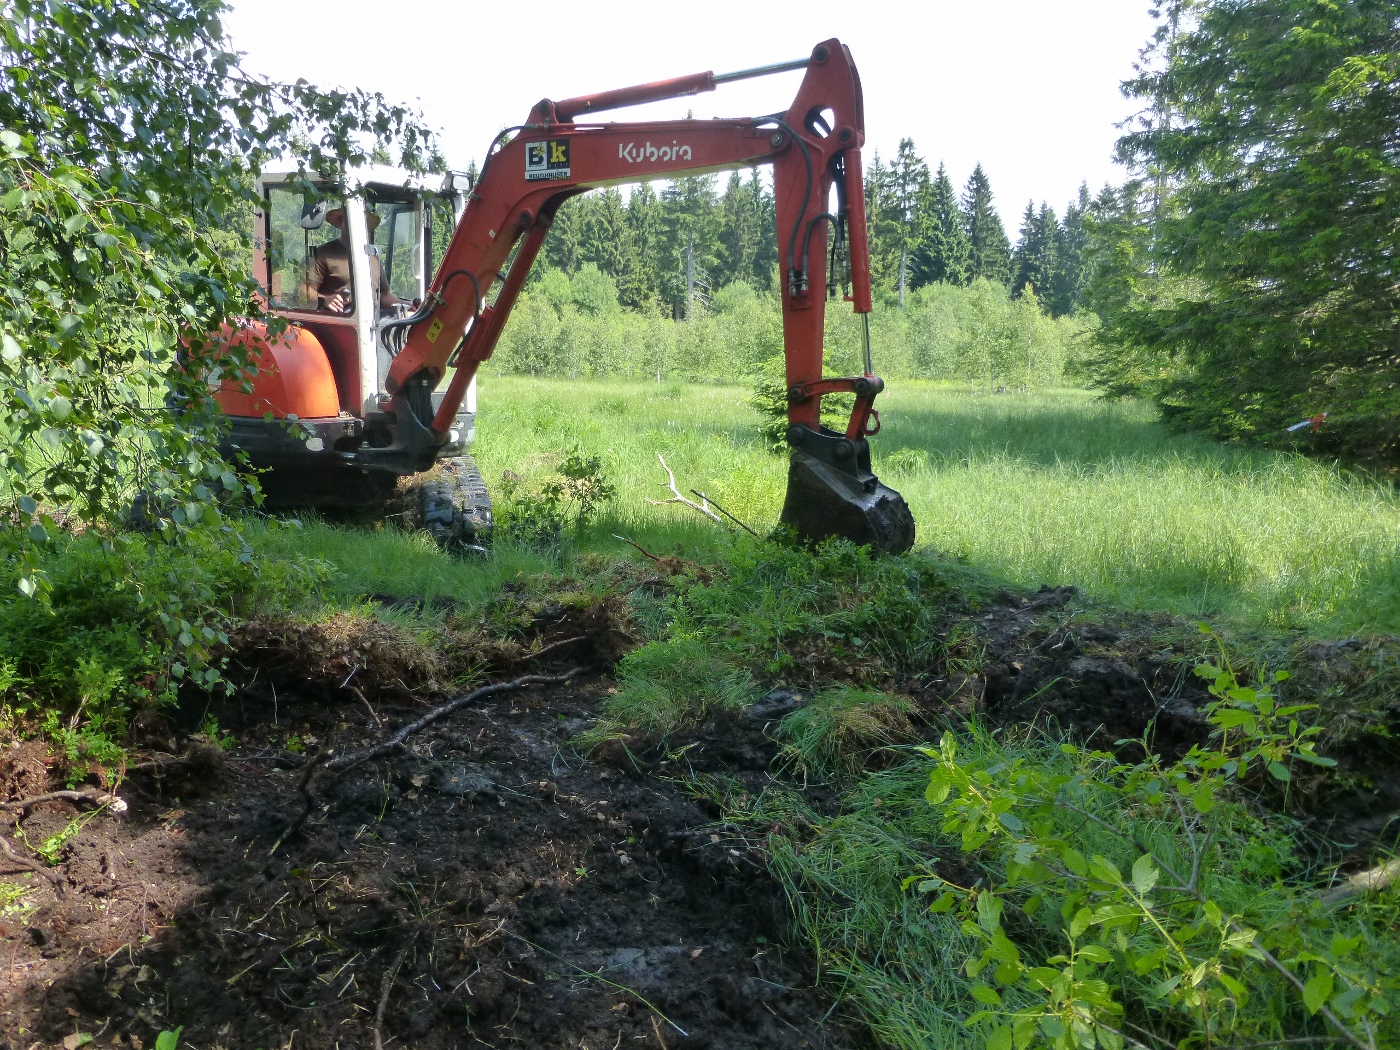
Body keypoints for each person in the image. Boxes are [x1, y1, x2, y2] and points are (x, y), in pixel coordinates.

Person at [303, 206, 403, 314]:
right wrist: (325, 299)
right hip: (342, 319)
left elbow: (383, 295)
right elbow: (304, 291)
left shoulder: (373, 257)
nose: (357, 224)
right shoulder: (323, 253)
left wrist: (405, 305)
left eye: (362, 220)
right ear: (341, 222)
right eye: (352, 219)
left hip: (374, 320)